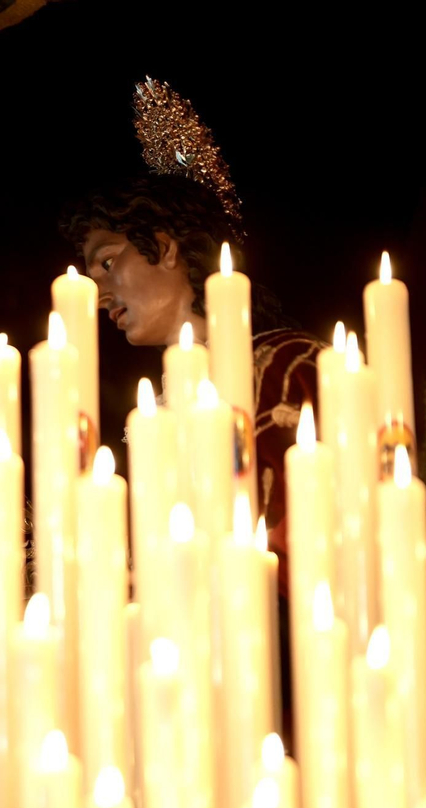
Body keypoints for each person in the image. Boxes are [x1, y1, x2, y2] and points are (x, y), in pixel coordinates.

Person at [64, 171, 322, 547]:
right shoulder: (154, 414)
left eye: (107, 264)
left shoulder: (285, 365)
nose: (99, 295)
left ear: (165, 247)